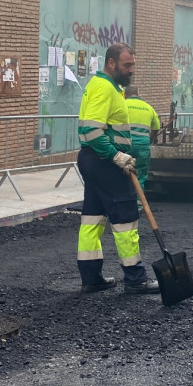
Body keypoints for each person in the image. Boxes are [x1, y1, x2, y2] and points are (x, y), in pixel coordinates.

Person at [75, 43, 160, 294]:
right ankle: (135, 279)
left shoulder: (105, 86)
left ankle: (91, 277)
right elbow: (91, 131)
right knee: (126, 218)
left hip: (93, 161)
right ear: (111, 63)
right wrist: (117, 157)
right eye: (127, 65)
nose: (131, 70)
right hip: (104, 163)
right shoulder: (104, 87)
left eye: (132, 64)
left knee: (93, 218)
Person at [124, 86, 161, 192]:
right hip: (142, 146)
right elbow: (156, 127)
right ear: (138, 94)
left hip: (125, 145)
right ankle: (139, 204)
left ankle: (123, 202)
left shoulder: (122, 105)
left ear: (125, 95)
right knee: (139, 175)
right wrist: (150, 138)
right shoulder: (148, 108)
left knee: (121, 173)